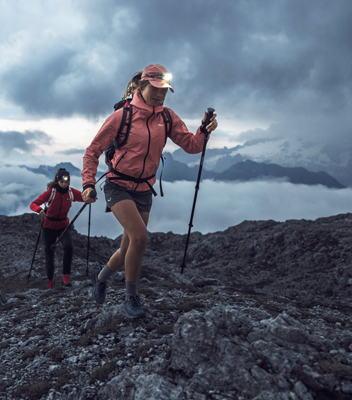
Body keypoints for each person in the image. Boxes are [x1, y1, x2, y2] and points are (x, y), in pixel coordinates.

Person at [81, 64, 218, 318]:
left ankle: (100, 278)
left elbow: (191, 145)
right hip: (118, 184)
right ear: (142, 85)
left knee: (127, 249)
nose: (160, 95)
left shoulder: (167, 117)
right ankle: (131, 297)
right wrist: (88, 184)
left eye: (165, 90)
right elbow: (93, 151)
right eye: (155, 89)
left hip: (144, 188)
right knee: (140, 238)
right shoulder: (122, 116)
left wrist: (203, 131)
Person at [30, 168, 85, 289]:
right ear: (57, 181)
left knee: (68, 247)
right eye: (62, 182)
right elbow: (33, 204)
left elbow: (86, 198)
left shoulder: (71, 192)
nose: (65, 184)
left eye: (67, 182)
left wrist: (91, 195)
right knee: (49, 253)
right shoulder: (51, 192)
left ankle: (66, 276)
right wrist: (39, 210)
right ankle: (51, 281)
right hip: (48, 227)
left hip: (63, 226)